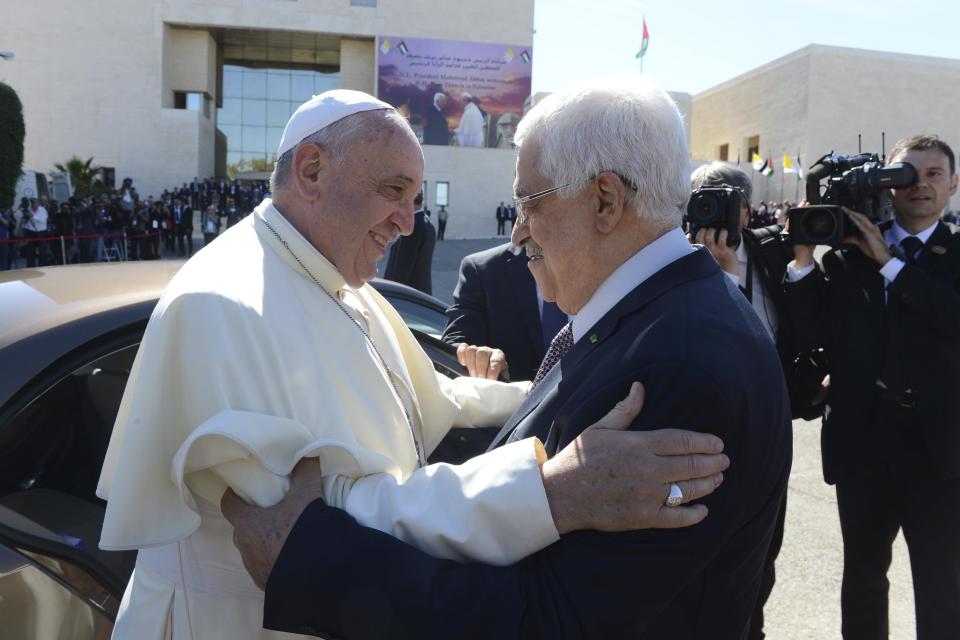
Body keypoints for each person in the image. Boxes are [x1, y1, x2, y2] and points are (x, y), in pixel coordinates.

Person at [97, 89, 728, 640]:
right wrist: (548, 493)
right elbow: (307, 530)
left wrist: (545, 395)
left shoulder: (342, 284)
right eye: (393, 191)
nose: (408, 221)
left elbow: (432, 400)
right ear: (312, 170)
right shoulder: (221, 304)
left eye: (416, 197)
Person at [783, 134, 960, 639]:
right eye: (907, 174)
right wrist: (802, 262)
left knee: (941, 584)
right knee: (862, 578)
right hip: (864, 443)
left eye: (932, 174)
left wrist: (890, 262)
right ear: (888, 184)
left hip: (939, 452)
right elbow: (814, 334)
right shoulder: (848, 253)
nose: (920, 185)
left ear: (953, 184)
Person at [688, 162, 797, 639]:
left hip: (766, 432)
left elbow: (793, 328)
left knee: (759, 557)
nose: (714, 211)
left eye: (725, 201)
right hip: (698, 433)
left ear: (748, 211)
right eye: (702, 200)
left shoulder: (774, 255)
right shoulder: (668, 260)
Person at [443, 242, 567, 383]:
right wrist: (481, 358)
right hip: (518, 402)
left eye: (533, 218)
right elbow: (453, 346)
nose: (517, 235)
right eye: (520, 218)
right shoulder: (483, 270)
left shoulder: (595, 266)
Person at [383, 192, 436, 295]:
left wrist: (389, 292)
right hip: (422, 292)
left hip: (408, 295)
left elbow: (402, 268)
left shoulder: (412, 227)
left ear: (410, 200)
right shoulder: (428, 225)